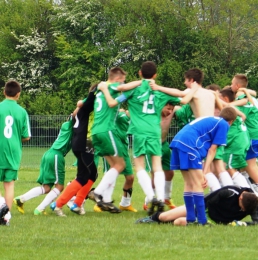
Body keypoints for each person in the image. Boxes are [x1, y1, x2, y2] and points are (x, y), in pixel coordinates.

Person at [97, 61, 191, 215]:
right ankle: (160, 198)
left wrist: (105, 89)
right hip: (155, 131)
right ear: (155, 75)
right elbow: (182, 96)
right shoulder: (160, 91)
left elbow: (115, 101)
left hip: (139, 131)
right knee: (157, 166)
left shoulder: (133, 90)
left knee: (140, 166)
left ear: (140, 73)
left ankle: (151, 196)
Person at [169, 107, 237, 225]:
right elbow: (212, 150)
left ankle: (190, 219)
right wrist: (205, 172)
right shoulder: (223, 124)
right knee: (199, 183)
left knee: (189, 183)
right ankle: (202, 220)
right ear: (231, 121)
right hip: (190, 144)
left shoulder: (212, 119)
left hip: (178, 142)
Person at [90, 68, 142, 213]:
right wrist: (142, 81)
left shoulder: (100, 92)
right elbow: (123, 88)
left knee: (113, 165)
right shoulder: (110, 87)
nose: (124, 82)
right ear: (117, 78)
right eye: (123, 79)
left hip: (96, 131)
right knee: (120, 164)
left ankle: (106, 201)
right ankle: (98, 193)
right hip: (107, 130)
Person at [50, 84, 98, 216]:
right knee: (84, 176)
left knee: (92, 174)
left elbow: (76, 110)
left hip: (80, 143)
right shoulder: (89, 103)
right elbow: (88, 100)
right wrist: (96, 90)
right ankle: (59, 204)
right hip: (84, 143)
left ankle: (76, 203)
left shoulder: (84, 104)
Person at [13, 116, 73, 215]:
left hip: (49, 154)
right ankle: (40, 208)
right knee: (59, 187)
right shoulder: (71, 126)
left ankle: (21, 199)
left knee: (46, 187)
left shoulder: (66, 125)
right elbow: (75, 114)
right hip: (57, 155)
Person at [135, 185, 258, 226]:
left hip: (213, 223)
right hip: (202, 210)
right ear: (241, 196)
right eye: (241, 207)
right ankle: (152, 219)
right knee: (164, 217)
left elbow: (257, 222)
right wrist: (199, 218)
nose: (241, 210)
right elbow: (206, 201)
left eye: (243, 210)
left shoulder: (252, 203)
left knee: (178, 222)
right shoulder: (229, 192)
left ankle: (165, 222)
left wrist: (243, 223)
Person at [0, 80, 31, 225]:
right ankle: (6, 216)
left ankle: (1, 206)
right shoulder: (22, 112)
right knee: (9, 184)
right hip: (14, 152)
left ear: (4, 92)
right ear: (18, 94)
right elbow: (26, 136)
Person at [144, 102, 177, 210]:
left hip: (164, 145)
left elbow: (182, 104)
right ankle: (149, 200)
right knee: (155, 174)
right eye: (168, 108)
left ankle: (166, 197)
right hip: (152, 145)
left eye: (171, 109)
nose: (170, 111)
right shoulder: (154, 113)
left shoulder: (172, 112)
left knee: (170, 172)